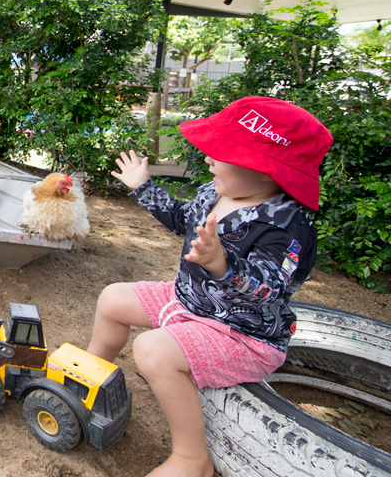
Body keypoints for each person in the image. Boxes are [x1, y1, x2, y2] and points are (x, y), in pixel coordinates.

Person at [89, 96, 333, 477]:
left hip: (240, 332)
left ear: (266, 171)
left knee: (152, 350)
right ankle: (91, 375)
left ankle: (192, 458)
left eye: (223, 153)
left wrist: (222, 264)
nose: (208, 159)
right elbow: (179, 219)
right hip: (189, 301)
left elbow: (270, 287)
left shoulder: (287, 226)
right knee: (113, 298)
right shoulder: (214, 192)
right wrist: (143, 187)